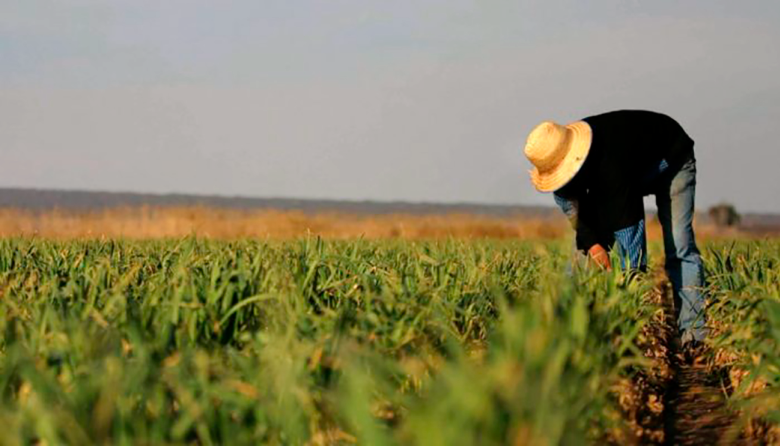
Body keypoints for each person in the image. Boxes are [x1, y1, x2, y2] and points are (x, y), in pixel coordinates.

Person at [523, 110, 706, 347]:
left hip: (670, 158)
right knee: (581, 257)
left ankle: (692, 336)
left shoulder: (611, 167)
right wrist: (596, 248)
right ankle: (566, 334)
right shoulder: (563, 180)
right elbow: (580, 221)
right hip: (629, 167)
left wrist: (628, 296)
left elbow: (631, 241)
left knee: (679, 245)